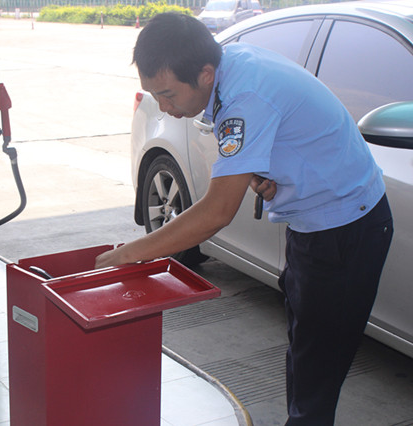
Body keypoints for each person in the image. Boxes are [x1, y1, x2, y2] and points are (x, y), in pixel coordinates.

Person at [95, 12, 393, 425]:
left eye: (167, 95)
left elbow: (216, 213)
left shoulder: (245, 95)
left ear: (204, 74)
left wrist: (131, 253)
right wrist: (258, 170)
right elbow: (271, 132)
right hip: (313, 225)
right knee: (304, 353)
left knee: (317, 372)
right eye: (154, 95)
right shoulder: (227, 69)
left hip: (344, 230)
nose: (162, 107)